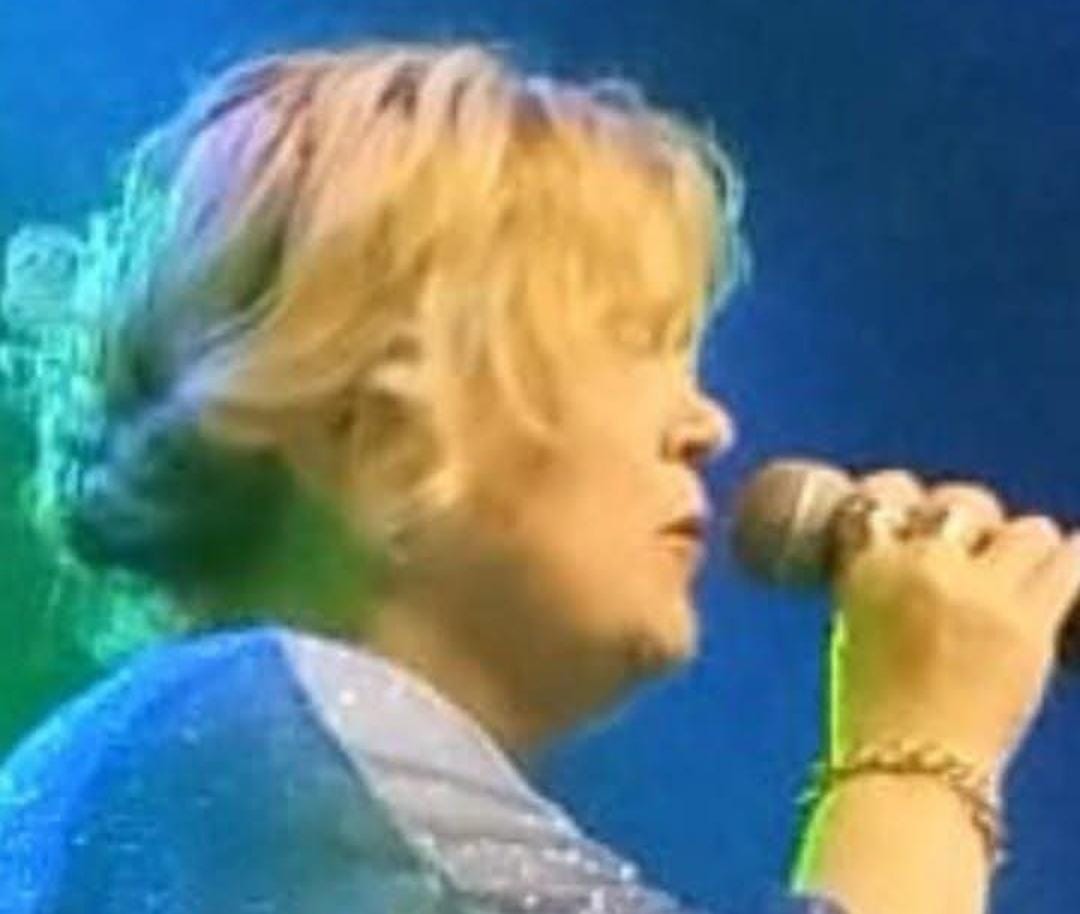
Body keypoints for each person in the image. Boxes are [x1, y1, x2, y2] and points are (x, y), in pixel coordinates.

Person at [0, 40, 1076, 914]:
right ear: (371, 421)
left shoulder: (183, 758)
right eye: (634, 341)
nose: (707, 424)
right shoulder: (252, 734)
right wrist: (922, 743)